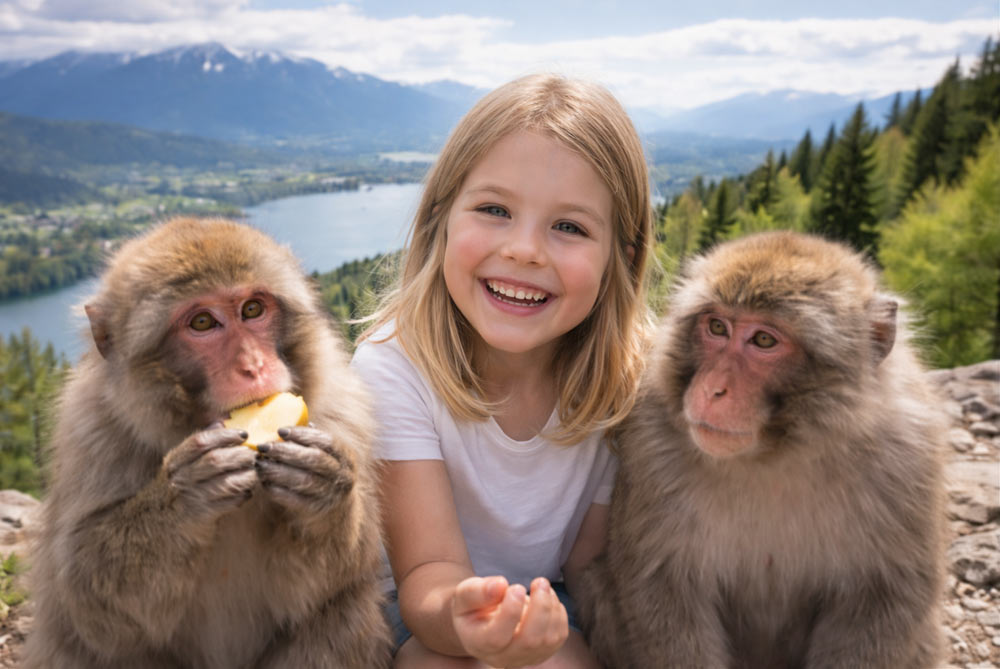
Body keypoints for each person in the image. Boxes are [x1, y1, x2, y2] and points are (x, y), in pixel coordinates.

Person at [351, 73, 654, 668]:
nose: (524, 250)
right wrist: (478, 626)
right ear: (439, 218)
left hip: (552, 601)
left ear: (622, 256)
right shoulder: (393, 368)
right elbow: (427, 570)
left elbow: (589, 565)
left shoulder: (629, 382)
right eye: (495, 210)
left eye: (569, 227)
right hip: (424, 610)